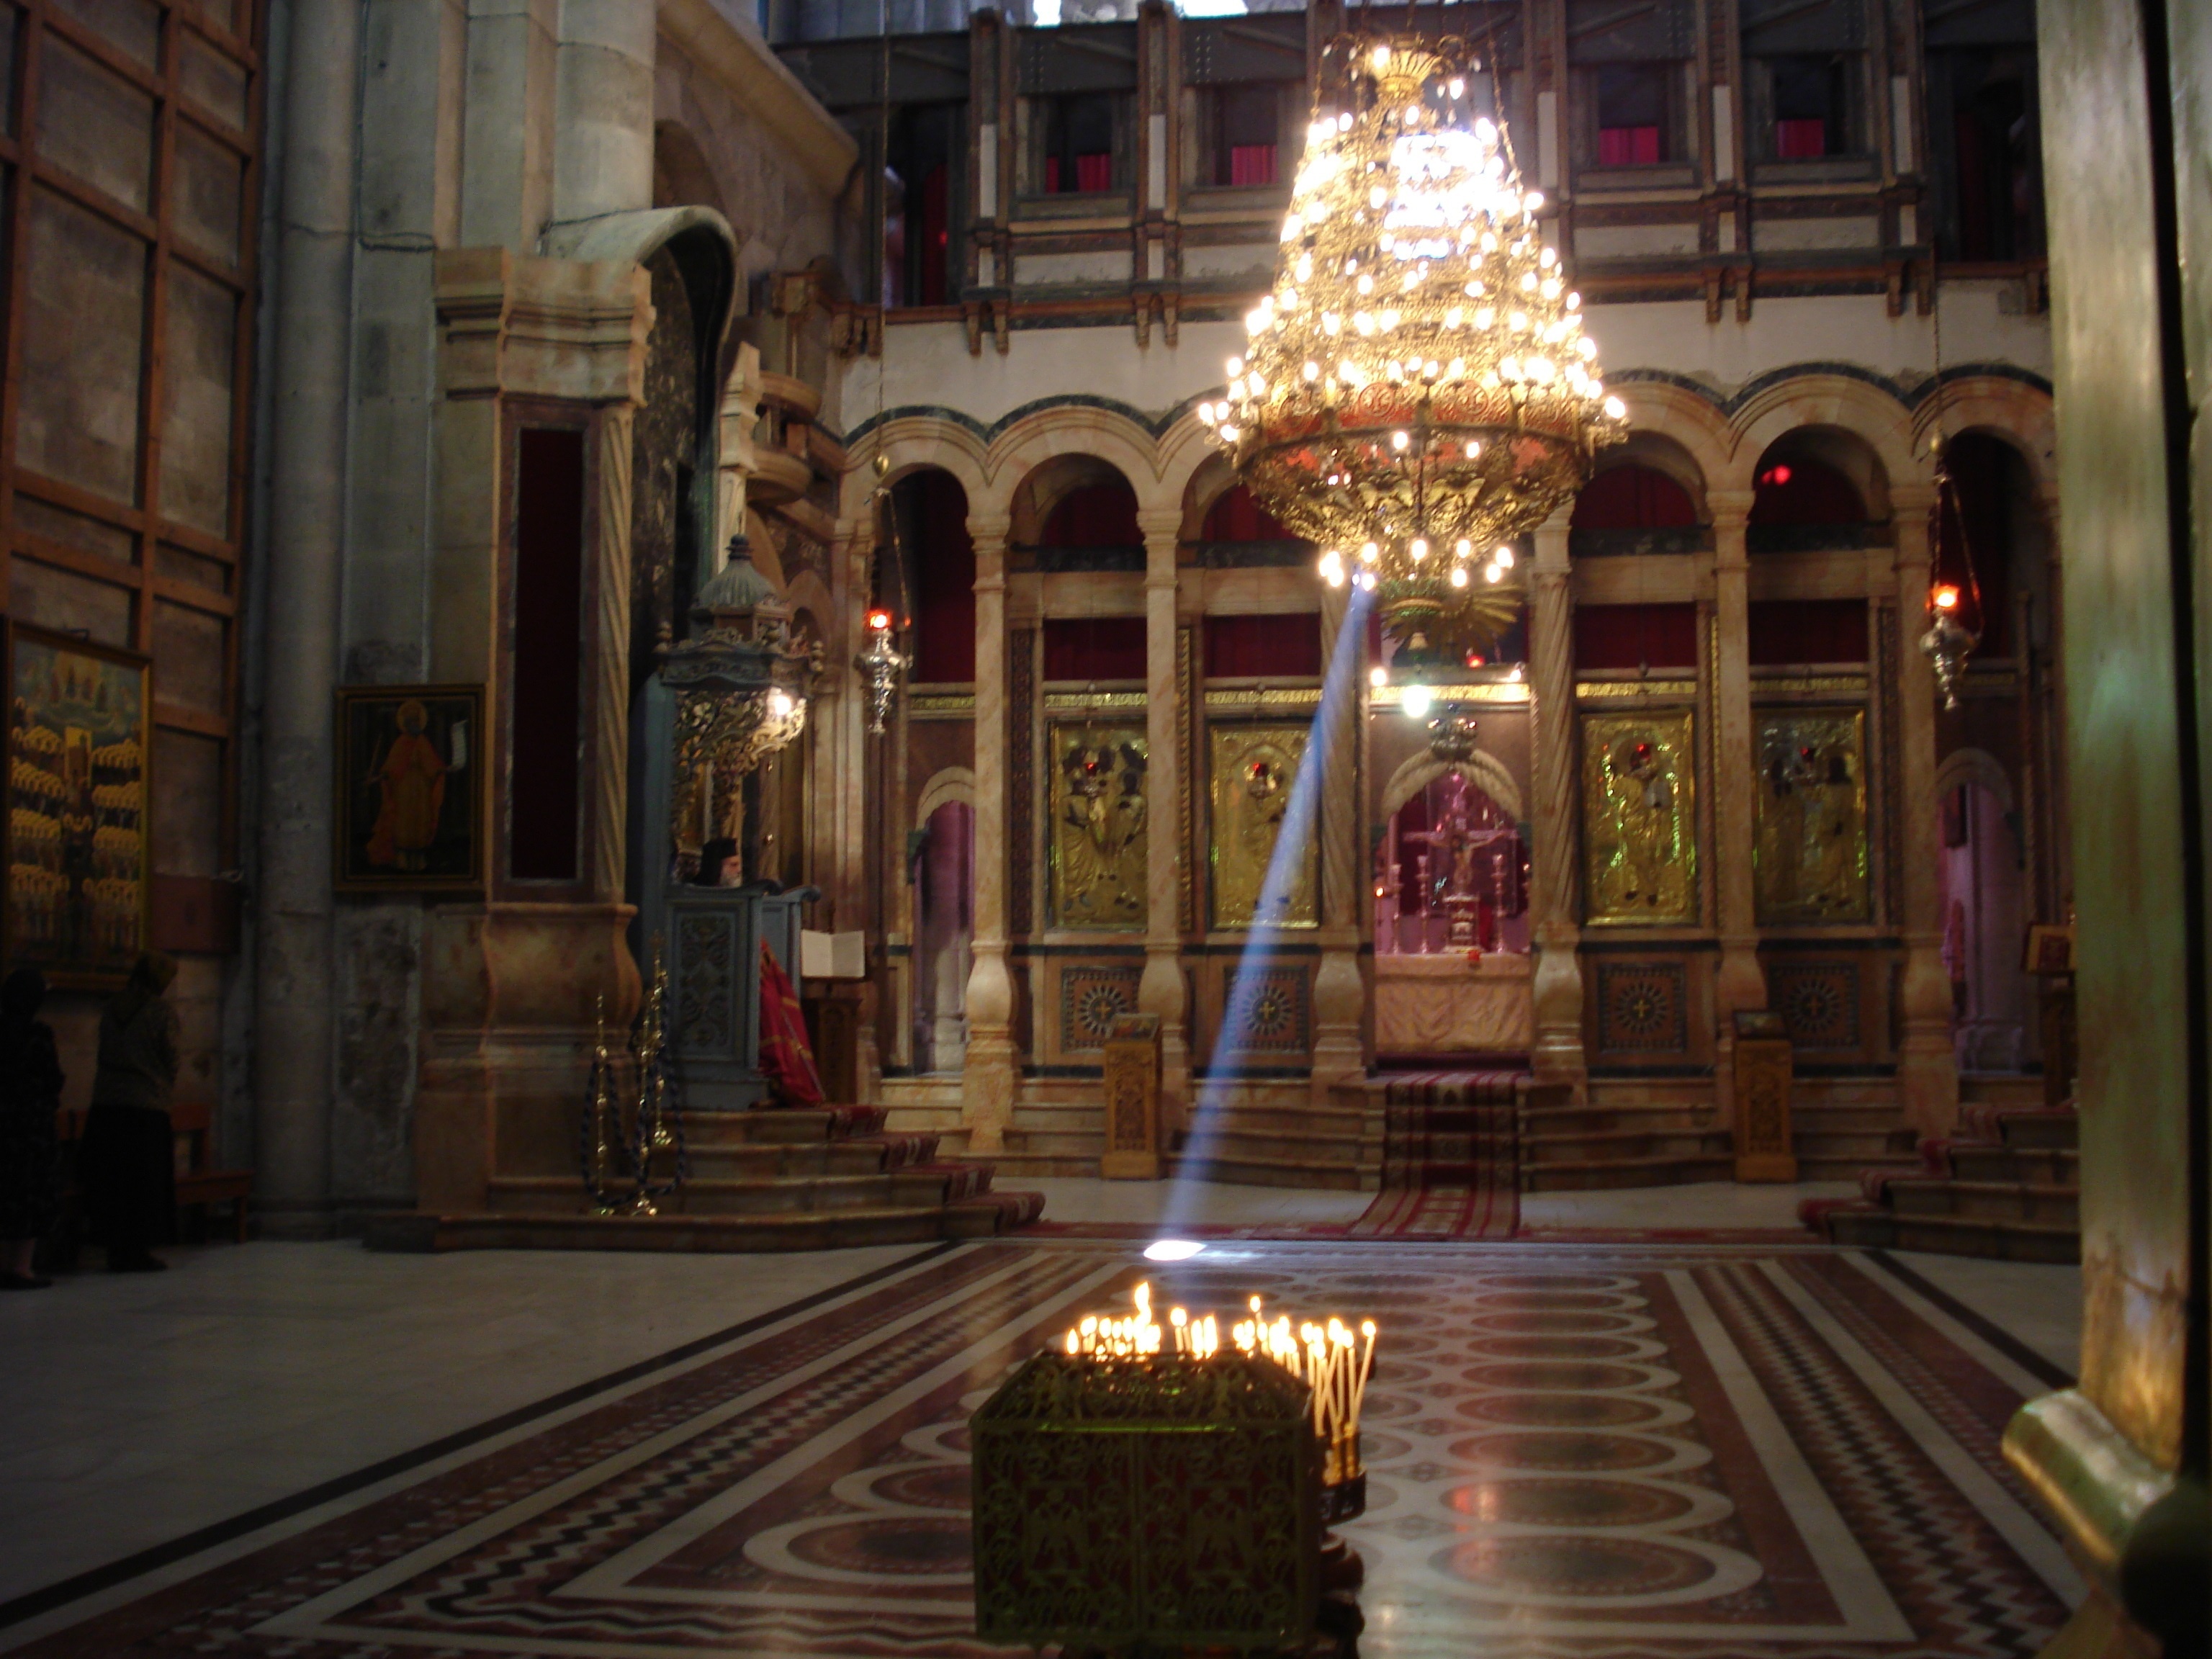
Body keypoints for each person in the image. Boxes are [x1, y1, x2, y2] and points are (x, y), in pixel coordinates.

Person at [81, 952, 180, 1272]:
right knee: (142, 1184)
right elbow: (172, 1057)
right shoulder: (161, 1011)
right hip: (146, 1108)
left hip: (107, 1106)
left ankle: (114, 1248)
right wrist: (161, 1081)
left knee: (113, 1182)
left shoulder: (112, 1007)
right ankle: (137, 1251)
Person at [0, 968, 64, 1290]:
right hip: (31, 1128)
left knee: (7, 1191)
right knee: (29, 1193)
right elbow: (53, 1080)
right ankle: (21, 1267)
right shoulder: (37, 1035)